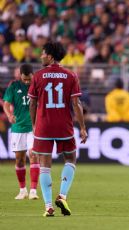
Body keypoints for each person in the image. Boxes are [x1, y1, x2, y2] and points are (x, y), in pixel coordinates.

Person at [28, 41, 88, 217]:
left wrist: (34, 124)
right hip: (64, 125)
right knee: (71, 158)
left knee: (44, 165)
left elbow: (32, 103)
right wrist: (82, 127)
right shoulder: (71, 75)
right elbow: (76, 103)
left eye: (43, 53)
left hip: (44, 126)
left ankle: (48, 206)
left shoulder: (38, 76)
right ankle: (62, 195)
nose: (41, 56)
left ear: (51, 56)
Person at [3, 63, 39, 200]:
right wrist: (9, 115)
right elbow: (6, 103)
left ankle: (33, 191)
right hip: (18, 127)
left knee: (33, 154)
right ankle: (22, 190)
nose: (27, 81)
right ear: (20, 75)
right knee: (19, 160)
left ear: (32, 75)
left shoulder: (38, 86)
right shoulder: (14, 86)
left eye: (29, 78)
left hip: (33, 127)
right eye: (24, 79)